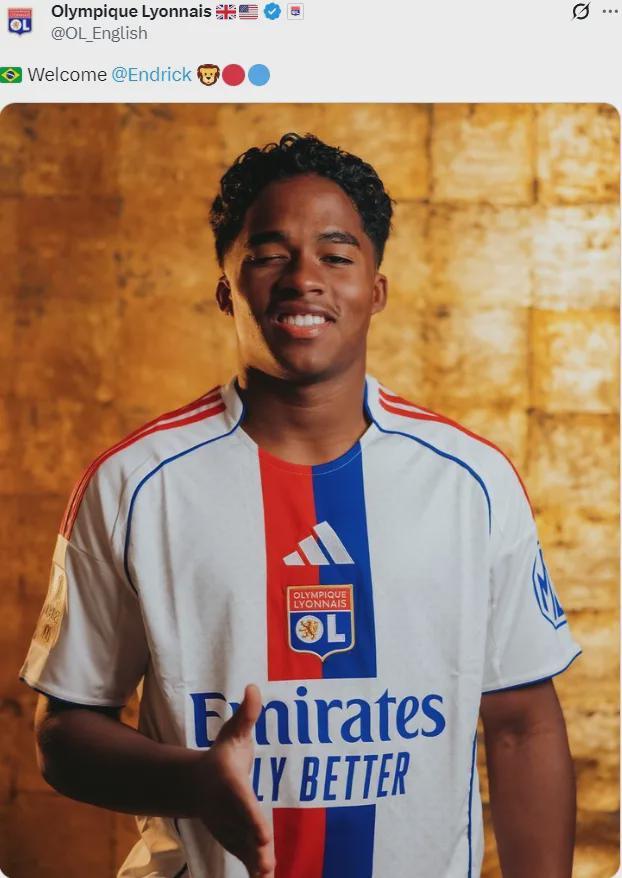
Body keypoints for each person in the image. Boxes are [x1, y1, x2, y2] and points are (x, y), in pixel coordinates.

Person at [21, 132, 581, 878]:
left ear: (376, 290)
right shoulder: (135, 482)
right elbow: (63, 732)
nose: (303, 279)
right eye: (268, 254)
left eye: (336, 255)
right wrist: (193, 780)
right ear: (227, 289)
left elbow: (521, 728)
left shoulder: (470, 481)